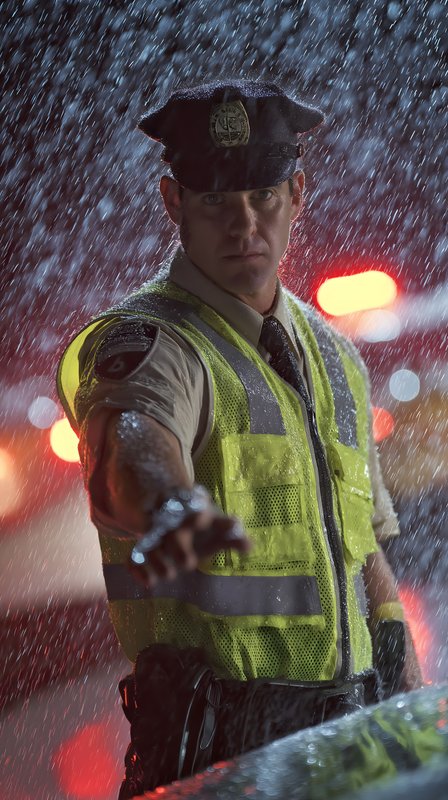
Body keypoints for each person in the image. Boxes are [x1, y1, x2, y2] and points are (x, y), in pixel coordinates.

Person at [57, 79, 423, 798]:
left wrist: (404, 689)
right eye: (216, 200)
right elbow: (136, 430)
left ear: (298, 195)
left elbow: (363, 550)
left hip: (347, 737)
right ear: (175, 204)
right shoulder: (150, 340)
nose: (243, 224)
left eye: (263, 197)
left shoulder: (334, 357)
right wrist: (165, 503)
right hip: (216, 749)